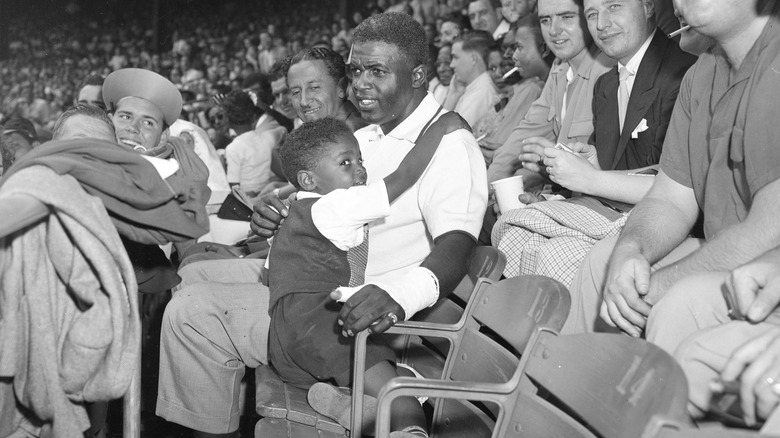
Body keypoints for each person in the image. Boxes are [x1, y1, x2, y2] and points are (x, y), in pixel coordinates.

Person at [156, 12, 487, 438]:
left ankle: (212, 428)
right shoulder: (369, 137)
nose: (360, 83)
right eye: (355, 71)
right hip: (320, 294)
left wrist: (398, 296)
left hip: (353, 315)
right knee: (192, 284)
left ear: (419, 75)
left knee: (191, 312)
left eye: (377, 72)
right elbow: (321, 202)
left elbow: (457, 243)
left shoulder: (449, 143)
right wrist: (277, 213)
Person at [560, 0, 780, 348]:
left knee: (681, 301)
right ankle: (568, 396)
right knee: (603, 262)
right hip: (731, 253)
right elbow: (671, 198)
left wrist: (655, 285)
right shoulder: (702, 73)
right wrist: (630, 250)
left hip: (770, 267)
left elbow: (767, 233)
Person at [269, 114, 465, 436]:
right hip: (323, 323)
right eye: (345, 163)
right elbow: (403, 177)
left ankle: (345, 405)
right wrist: (440, 128)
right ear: (308, 180)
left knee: (372, 379)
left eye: (360, 159)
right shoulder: (338, 205)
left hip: (287, 331)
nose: (360, 169)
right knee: (402, 395)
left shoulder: (300, 210)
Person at [490, 0, 696, 285]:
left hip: (663, 225)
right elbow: (612, 171)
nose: (601, 24)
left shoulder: (683, 72)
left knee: (551, 251)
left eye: (613, 7)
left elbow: (677, 184)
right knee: (514, 231)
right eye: (592, 14)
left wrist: (588, 179)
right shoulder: (606, 86)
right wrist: (587, 168)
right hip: (614, 212)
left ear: (648, 6)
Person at [474, 15, 552, 165]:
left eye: (518, 47)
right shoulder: (532, 87)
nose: (511, 55)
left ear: (544, 48)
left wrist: (508, 153)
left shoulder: (532, 89)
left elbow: (505, 146)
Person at [284, 47, 368, 132]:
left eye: (314, 88)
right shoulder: (313, 134)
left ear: (342, 87)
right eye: (296, 92)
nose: (304, 102)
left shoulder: (359, 135)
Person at [221, 89, 285, 197]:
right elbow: (284, 129)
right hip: (266, 191)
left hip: (247, 198)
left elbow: (234, 186)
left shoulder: (233, 149)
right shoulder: (268, 138)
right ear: (254, 116)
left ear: (227, 119)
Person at [444, 30, 500, 127]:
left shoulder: (482, 92)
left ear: (473, 59)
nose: (451, 64)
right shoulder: (476, 88)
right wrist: (453, 95)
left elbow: (451, 134)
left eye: (455, 57)